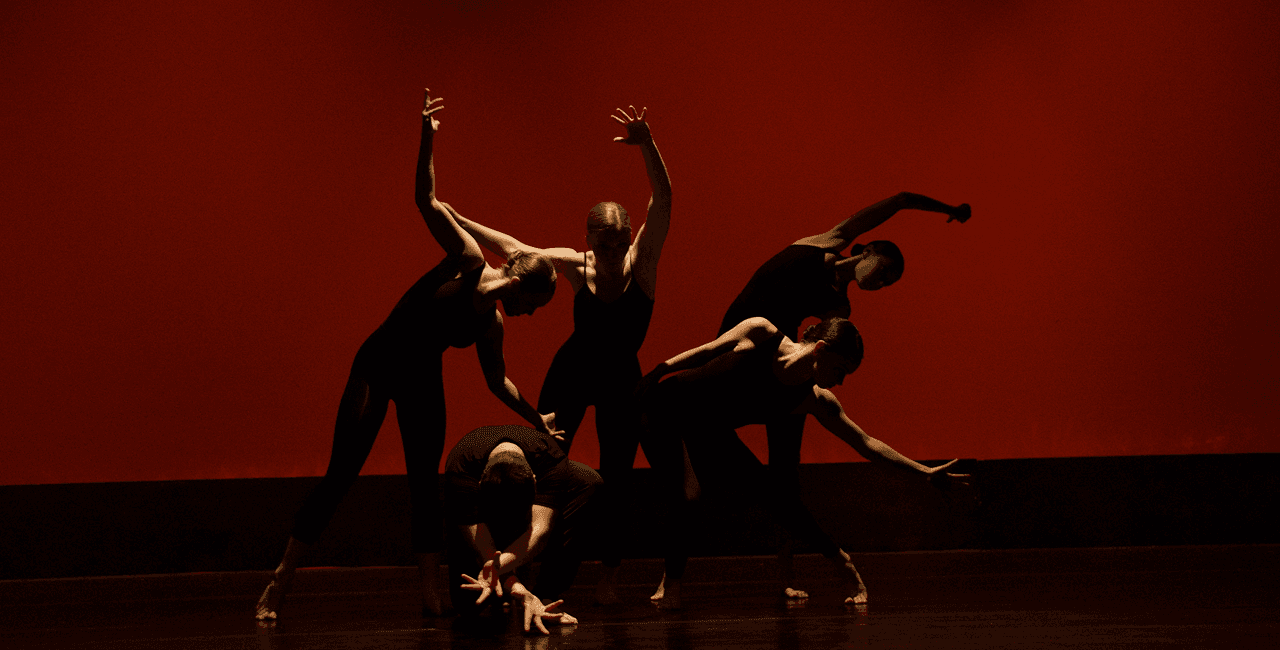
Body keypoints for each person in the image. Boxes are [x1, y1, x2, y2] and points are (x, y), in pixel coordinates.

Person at [255, 90, 564, 621]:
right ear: (518, 284)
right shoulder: (467, 260)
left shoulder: (490, 324)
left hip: (422, 377)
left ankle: (429, 592)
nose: (532, 316)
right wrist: (427, 139)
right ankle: (279, 583)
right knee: (341, 474)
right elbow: (426, 200)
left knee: (425, 484)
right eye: (535, 306)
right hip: (379, 363)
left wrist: (537, 417)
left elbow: (498, 383)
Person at [448, 105, 672, 603]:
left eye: (620, 242)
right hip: (572, 371)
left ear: (628, 238)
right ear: (588, 241)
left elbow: (664, 201)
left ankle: (608, 572)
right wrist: (457, 219)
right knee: (543, 464)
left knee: (615, 477)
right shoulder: (577, 265)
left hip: (619, 379)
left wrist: (647, 145)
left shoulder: (644, 264)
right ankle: (516, 563)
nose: (613, 252)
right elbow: (514, 247)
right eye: (603, 244)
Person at [714, 192, 970, 598]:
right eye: (885, 271)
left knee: (786, 473)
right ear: (866, 249)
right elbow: (900, 200)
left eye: (887, 284)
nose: (881, 283)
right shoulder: (827, 242)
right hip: (736, 344)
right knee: (699, 432)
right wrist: (948, 209)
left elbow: (820, 348)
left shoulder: (839, 308)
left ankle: (785, 578)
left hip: (776, 362)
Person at [637, 316, 969, 609]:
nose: (841, 382)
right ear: (821, 349)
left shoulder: (813, 399)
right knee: (688, 494)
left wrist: (924, 473)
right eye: (840, 371)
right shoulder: (762, 332)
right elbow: (707, 351)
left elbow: (866, 443)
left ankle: (842, 562)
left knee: (772, 494)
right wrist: (656, 372)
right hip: (662, 408)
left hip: (707, 427)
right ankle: (672, 587)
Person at [444, 425, 602, 634]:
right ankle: (504, 591)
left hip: (532, 492)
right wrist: (520, 591)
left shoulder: (550, 459)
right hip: (481, 515)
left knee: (589, 481)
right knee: (468, 604)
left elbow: (540, 533)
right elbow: (483, 547)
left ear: (536, 483)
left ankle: (548, 593)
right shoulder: (461, 469)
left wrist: (523, 589)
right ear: (480, 483)